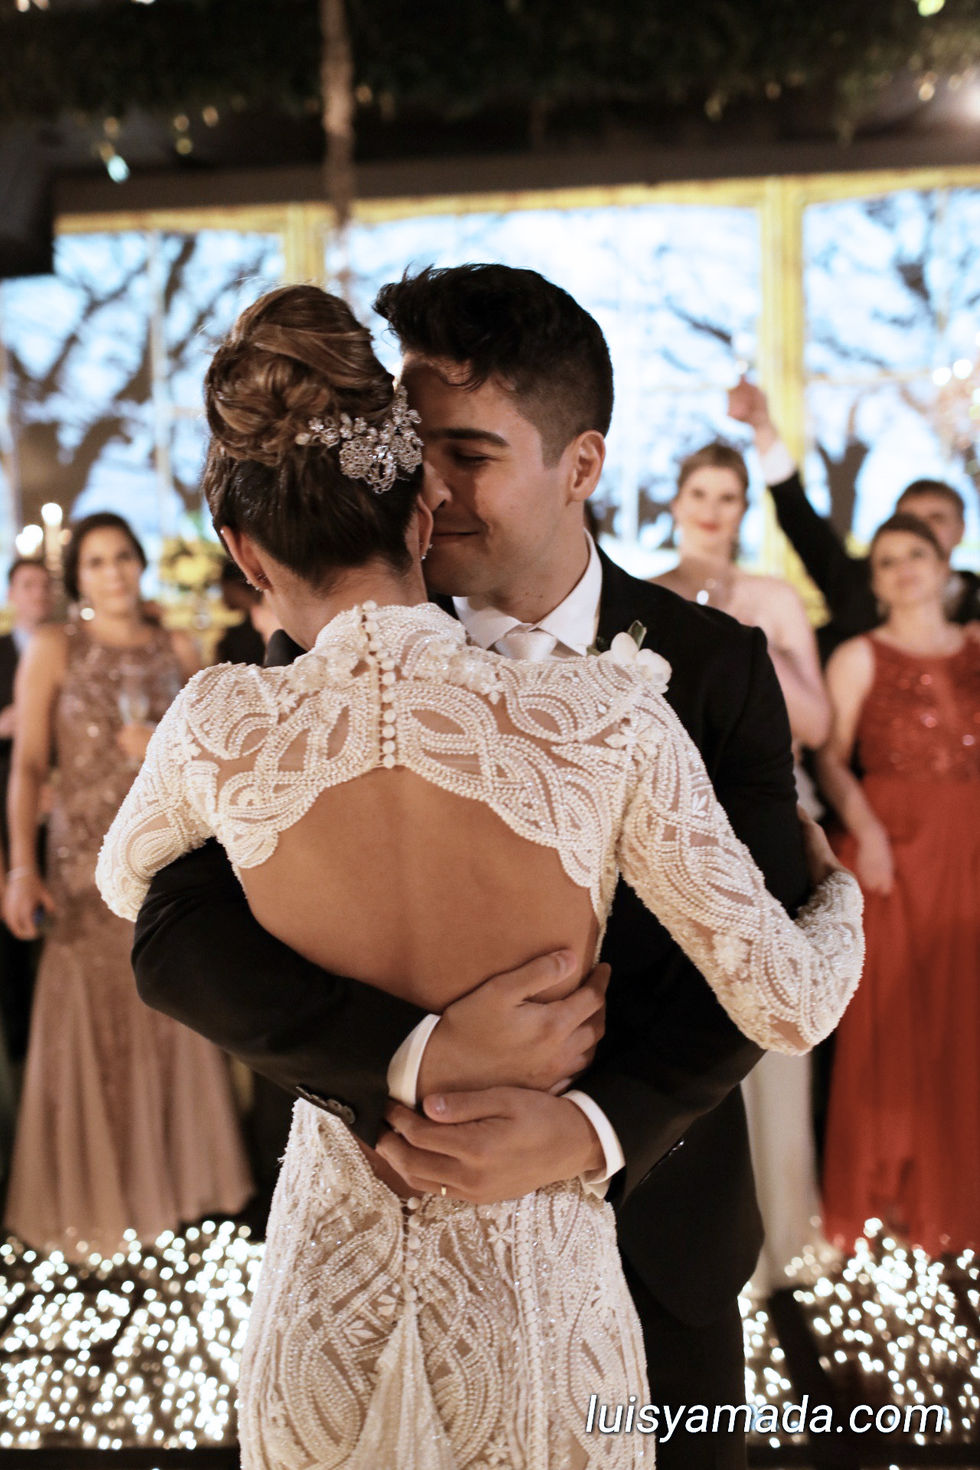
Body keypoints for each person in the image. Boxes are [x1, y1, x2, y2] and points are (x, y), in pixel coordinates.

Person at [97, 282, 863, 1470]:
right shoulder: (603, 717)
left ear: (578, 464)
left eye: (467, 452)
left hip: (648, 1235)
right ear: (404, 508)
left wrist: (590, 1128)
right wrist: (414, 1054)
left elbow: (126, 880)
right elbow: (173, 934)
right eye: (419, 453)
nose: (438, 485)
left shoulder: (708, 668)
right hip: (430, 1293)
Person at [1, 512, 253, 1260]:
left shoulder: (176, 648)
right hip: (79, 875)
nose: (112, 573)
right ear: (78, 577)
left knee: (167, 1014)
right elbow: (28, 766)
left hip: (164, 870)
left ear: (140, 566)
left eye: (122, 558)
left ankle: (169, 1205)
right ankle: (93, 1217)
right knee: (88, 1026)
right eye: (96, 561)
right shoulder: (53, 649)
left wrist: (164, 748)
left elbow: (212, 761)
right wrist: (20, 868)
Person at [653, 440, 830, 1289]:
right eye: (701, 493)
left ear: (742, 509)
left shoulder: (773, 598)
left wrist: (749, 641)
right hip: (674, 826)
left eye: (728, 496)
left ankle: (780, 1224)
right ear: (677, 501)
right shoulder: (642, 592)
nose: (713, 511)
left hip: (763, 825)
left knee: (771, 1015)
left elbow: (820, 725)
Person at [816, 513, 980, 1257]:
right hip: (896, 846)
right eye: (887, 560)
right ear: (875, 582)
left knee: (963, 1015)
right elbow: (829, 758)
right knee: (897, 1018)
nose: (904, 568)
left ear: (945, 565)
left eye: (916, 554)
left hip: (968, 843)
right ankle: (894, 1195)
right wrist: (868, 831)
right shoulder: (859, 655)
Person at [727, 378, 980, 659]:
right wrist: (762, 426)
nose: (921, 530)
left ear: (962, 529)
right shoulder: (853, 588)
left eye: (936, 519)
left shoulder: (976, 602)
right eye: (908, 520)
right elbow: (801, 522)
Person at [0, 557, 53, 1063]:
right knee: (12, 944)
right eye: (28, 585)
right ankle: (22, 1051)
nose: (38, 593)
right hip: (5, 810)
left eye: (45, 585)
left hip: (63, 808)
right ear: (12, 594)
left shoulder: (66, 650)